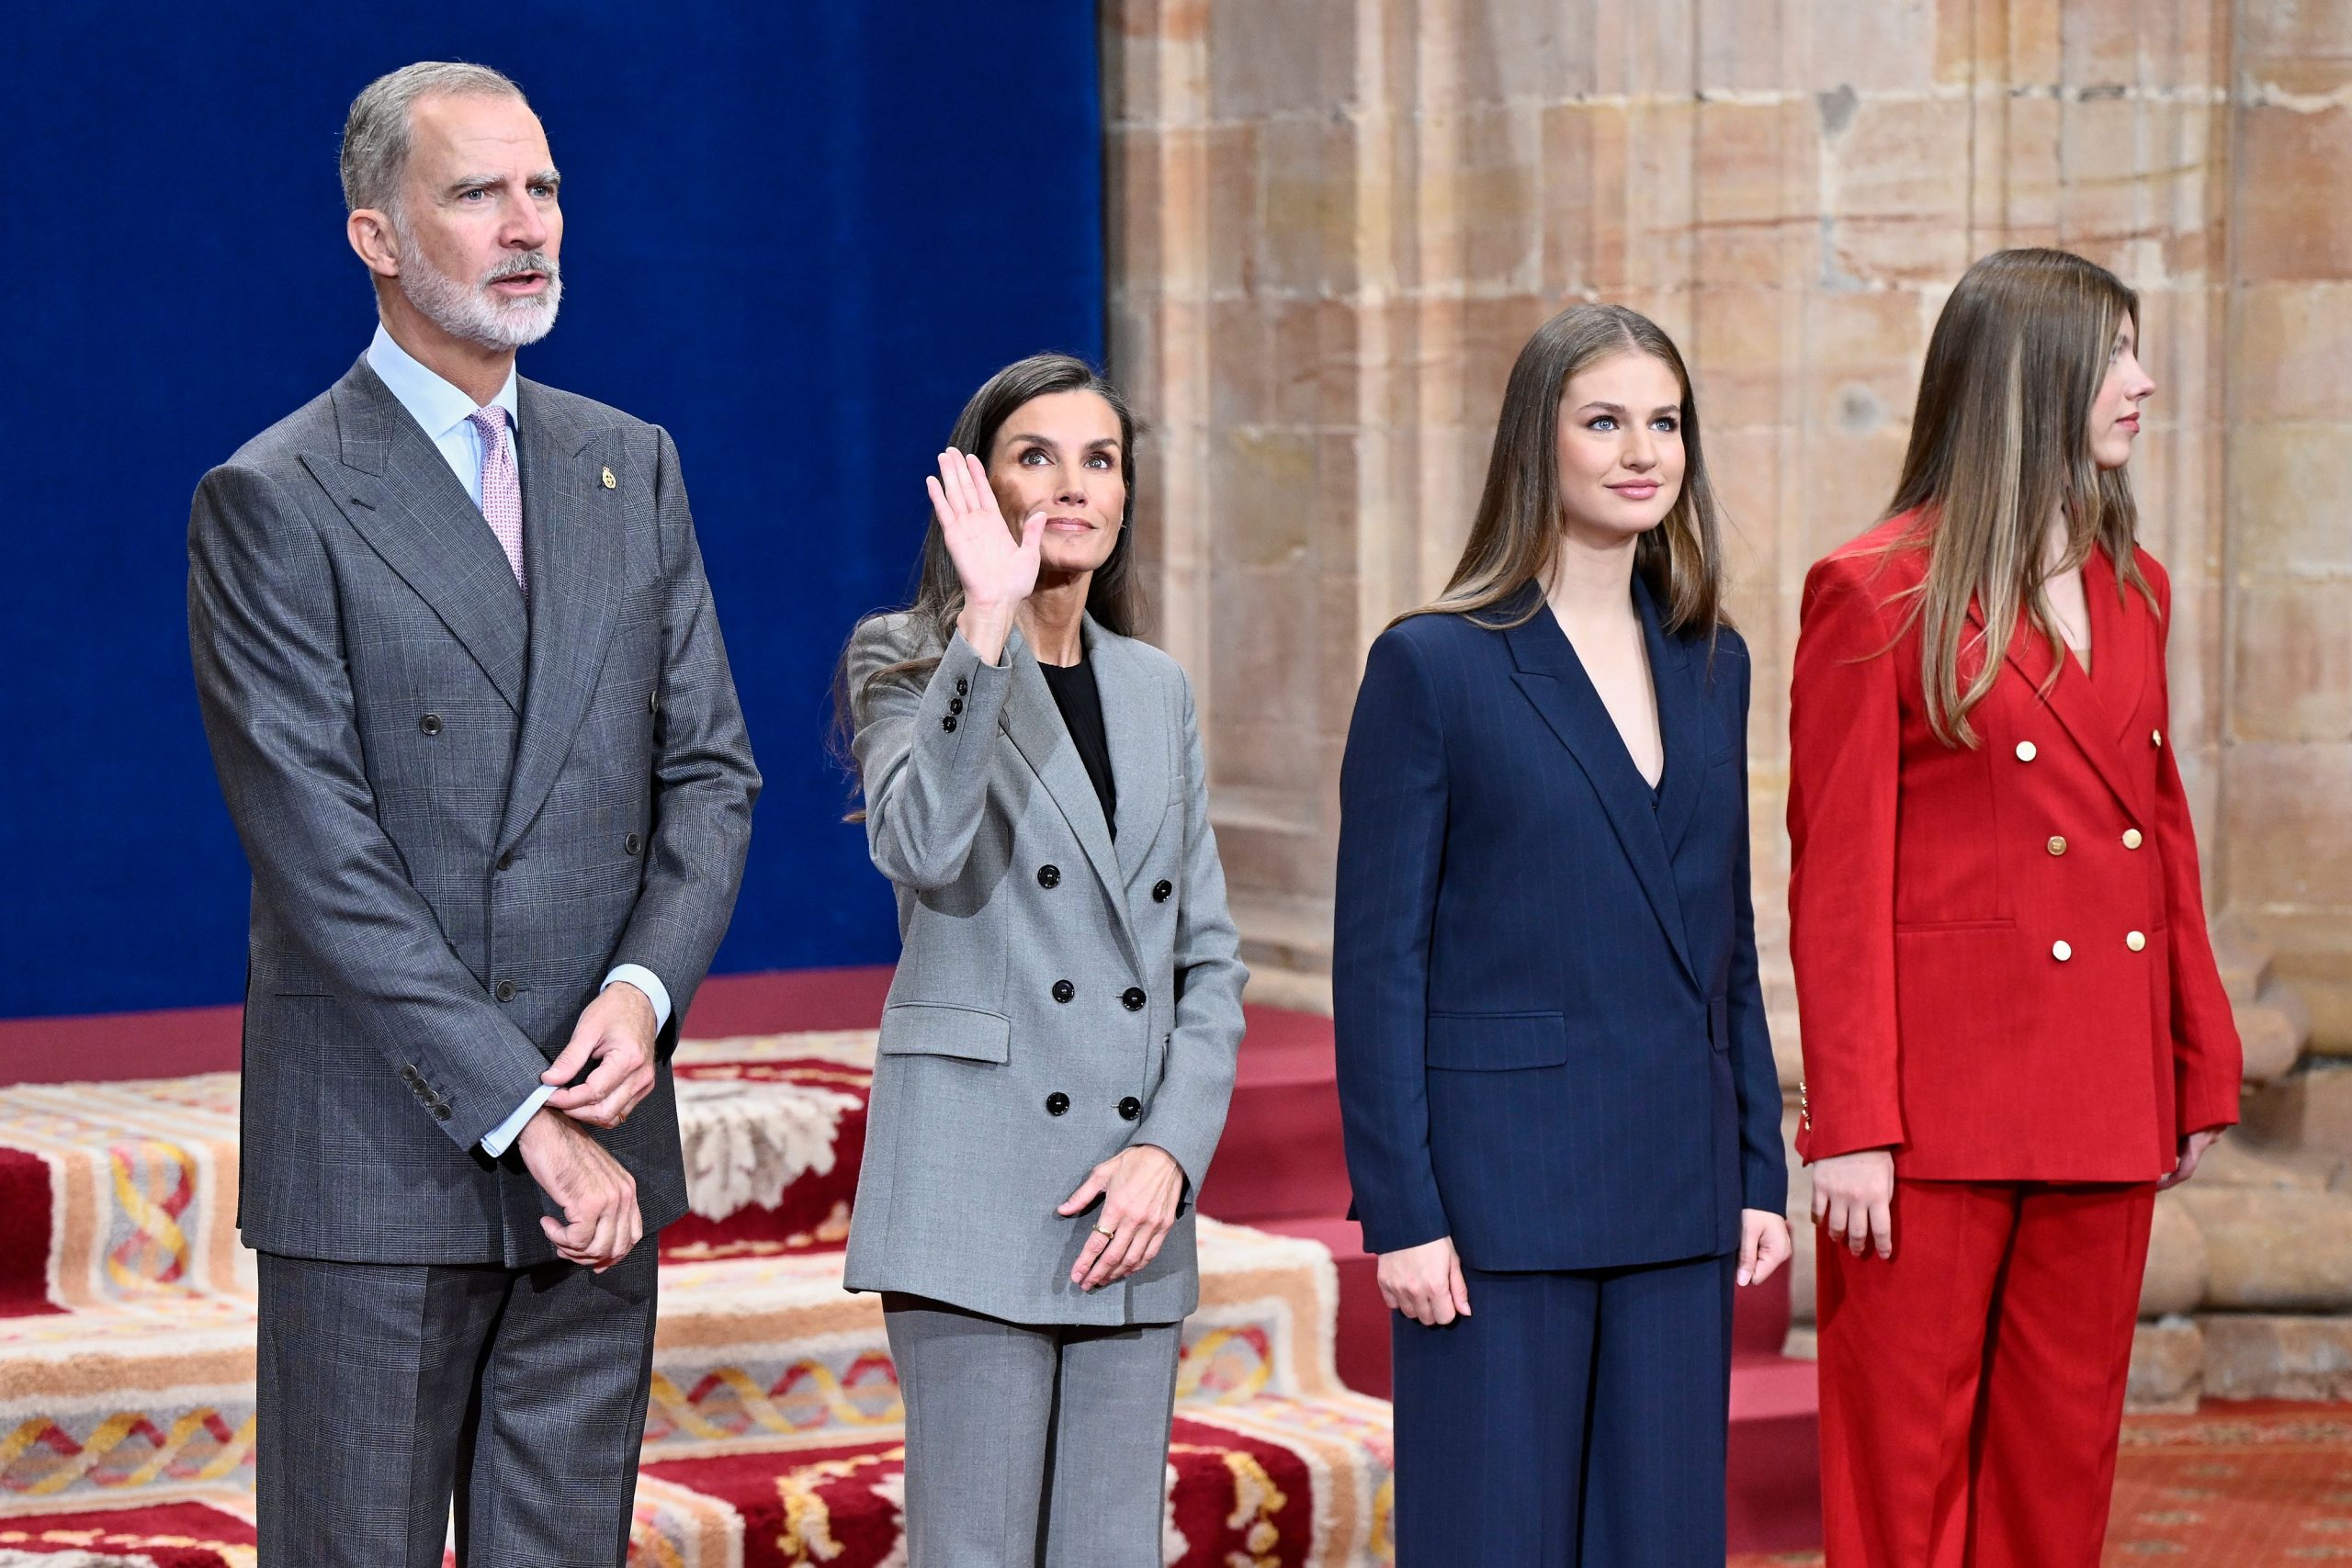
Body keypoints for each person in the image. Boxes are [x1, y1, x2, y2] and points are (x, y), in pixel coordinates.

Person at [187, 62, 759, 1566]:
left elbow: (709, 778)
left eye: (545, 189)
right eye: (478, 194)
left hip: (603, 1148)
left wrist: (642, 999)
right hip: (388, 1163)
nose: (528, 228)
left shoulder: (631, 465)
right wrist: (521, 1116)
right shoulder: (277, 495)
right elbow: (323, 862)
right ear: (376, 236)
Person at [1789, 247, 2243, 1565]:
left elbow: (2160, 835)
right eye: (2115, 354)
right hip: (1935, 1113)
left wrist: (2196, 1064)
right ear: (2029, 379)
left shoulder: (2136, 586)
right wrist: (1852, 1125)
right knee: (1903, 1478)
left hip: (2101, 1092)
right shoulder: (1873, 590)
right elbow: (1836, 882)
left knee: (2060, 1470)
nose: (2143, 381)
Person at [1333, 303, 1792, 1566]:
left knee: (1659, 1546)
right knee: (1497, 1543)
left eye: (1665, 422)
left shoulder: (1715, 661)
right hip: (1498, 1205)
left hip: (1676, 1183)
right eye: (1605, 421)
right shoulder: (1434, 665)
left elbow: (1725, 934)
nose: (1643, 450)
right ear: (1540, 443)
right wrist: (1402, 1212)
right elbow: (1379, 968)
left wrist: (1758, 1164)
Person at [835, 353, 1246, 1564]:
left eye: (1099, 460)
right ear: (980, 489)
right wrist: (987, 622)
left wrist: (1167, 1152)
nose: (1072, 484)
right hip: (980, 1179)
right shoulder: (908, 658)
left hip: (1132, 1199)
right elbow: (918, 842)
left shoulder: (1155, 686)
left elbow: (1209, 962)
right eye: (1036, 456)